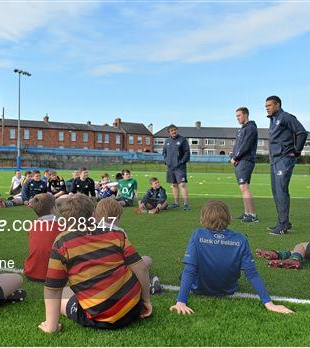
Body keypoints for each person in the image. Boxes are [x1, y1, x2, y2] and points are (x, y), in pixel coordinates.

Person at [39, 194, 153, 333]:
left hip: (100, 318)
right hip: (133, 308)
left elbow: (53, 289)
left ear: (65, 220)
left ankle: (52, 324)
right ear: (93, 215)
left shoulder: (62, 242)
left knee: (62, 293)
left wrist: (51, 326)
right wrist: (146, 300)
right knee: (137, 265)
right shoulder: (115, 234)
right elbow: (141, 268)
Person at [169, 200, 293, 316]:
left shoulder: (197, 235)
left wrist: (181, 302)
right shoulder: (240, 239)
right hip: (228, 289)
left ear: (202, 219)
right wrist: (269, 303)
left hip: (199, 288)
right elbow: (252, 274)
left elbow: (190, 270)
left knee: (185, 272)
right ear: (229, 217)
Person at [265, 96, 308, 235]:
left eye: (269, 105)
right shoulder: (273, 120)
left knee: (281, 190)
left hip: (284, 159)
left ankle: (282, 226)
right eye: (266, 106)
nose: (267, 108)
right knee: (276, 192)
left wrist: (296, 151)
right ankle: (283, 222)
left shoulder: (285, 117)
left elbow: (301, 132)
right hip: (274, 160)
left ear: (277, 105)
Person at [24, 193, 62, 282]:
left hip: (30, 272)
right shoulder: (62, 226)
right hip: (54, 274)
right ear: (53, 209)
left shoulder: (32, 225)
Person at [230, 107, 259, 223]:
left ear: (246, 115)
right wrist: (232, 157)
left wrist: (236, 157)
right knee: (243, 188)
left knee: (244, 187)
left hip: (245, 160)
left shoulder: (251, 128)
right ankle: (247, 213)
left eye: (239, 116)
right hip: (240, 161)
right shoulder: (241, 130)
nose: (237, 118)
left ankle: (253, 215)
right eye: (236, 116)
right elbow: (236, 146)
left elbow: (245, 146)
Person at [162, 124, 190, 211]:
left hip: (180, 167)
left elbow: (187, 152)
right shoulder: (167, 141)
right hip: (170, 167)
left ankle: (185, 204)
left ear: (176, 130)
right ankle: (176, 203)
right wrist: (167, 161)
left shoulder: (182, 140)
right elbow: (164, 152)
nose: (173, 132)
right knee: (174, 185)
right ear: (169, 133)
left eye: (174, 130)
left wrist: (182, 162)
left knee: (182, 184)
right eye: (171, 131)